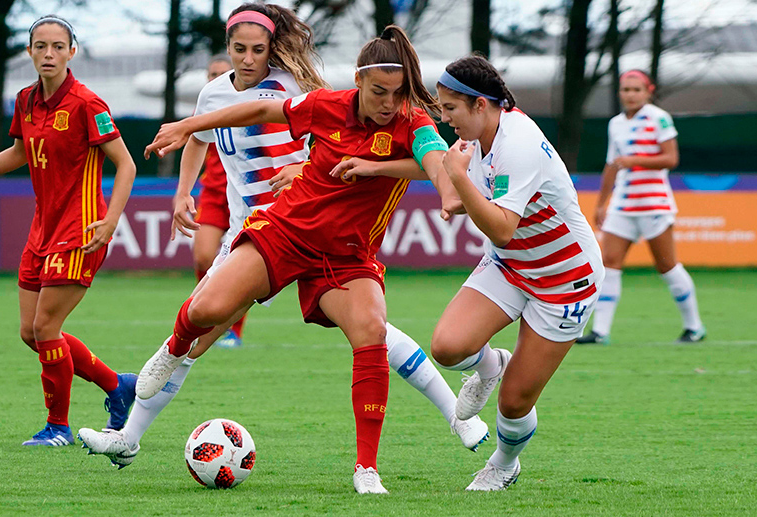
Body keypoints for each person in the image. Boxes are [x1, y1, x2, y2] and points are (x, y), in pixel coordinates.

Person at [77, 13, 487, 490]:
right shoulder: (309, 101)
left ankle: (383, 458)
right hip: (278, 230)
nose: (389, 103)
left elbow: (432, 158)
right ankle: (138, 418)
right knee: (204, 315)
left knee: (374, 331)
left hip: (343, 253)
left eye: (398, 93)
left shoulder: (380, 111)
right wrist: (186, 137)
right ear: (360, 83)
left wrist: (443, 188)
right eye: (379, 92)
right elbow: (245, 116)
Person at [0, 15, 138, 447]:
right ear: (29, 51)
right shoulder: (26, 100)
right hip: (42, 230)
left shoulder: (87, 103)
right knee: (32, 333)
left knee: (47, 328)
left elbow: (126, 164)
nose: (49, 53)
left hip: (81, 230)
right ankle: (118, 386)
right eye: (40, 46)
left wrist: (112, 220)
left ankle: (58, 428)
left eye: (58, 46)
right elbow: (20, 152)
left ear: (71, 52)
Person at [430, 54, 604, 491]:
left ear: (480, 105)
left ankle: (504, 465)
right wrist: (374, 170)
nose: (444, 117)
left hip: (565, 279)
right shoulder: (480, 136)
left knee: (514, 403)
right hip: (510, 266)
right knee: (448, 347)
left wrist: (460, 183)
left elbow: (504, 229)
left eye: (450, 108)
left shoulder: (518, 142)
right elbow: (455, 182)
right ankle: (491, 366)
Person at [576, 70, 705, 345]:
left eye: (636, 89)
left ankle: (694, 327)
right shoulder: (616, 124)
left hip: (654, 203)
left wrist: (634, 159)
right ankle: (600, 332)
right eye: (625, 90)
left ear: (649, 91)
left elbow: (671, 158)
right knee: (608, 264)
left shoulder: (659, 117)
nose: (630, 95)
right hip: (623, 205)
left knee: (667, 266)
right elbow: (612, 165)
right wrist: (602, 204)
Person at [191, 54, 247, 348]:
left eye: (222, 73)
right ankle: (210, 313)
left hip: (244, 193)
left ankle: (233, 329)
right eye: (211, 74)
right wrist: (183, 191)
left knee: (243, 264)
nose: (216, 79)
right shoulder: (207, 105)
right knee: (203, 256)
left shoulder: (254, 105)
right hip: (214, 191)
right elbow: (196, 144)